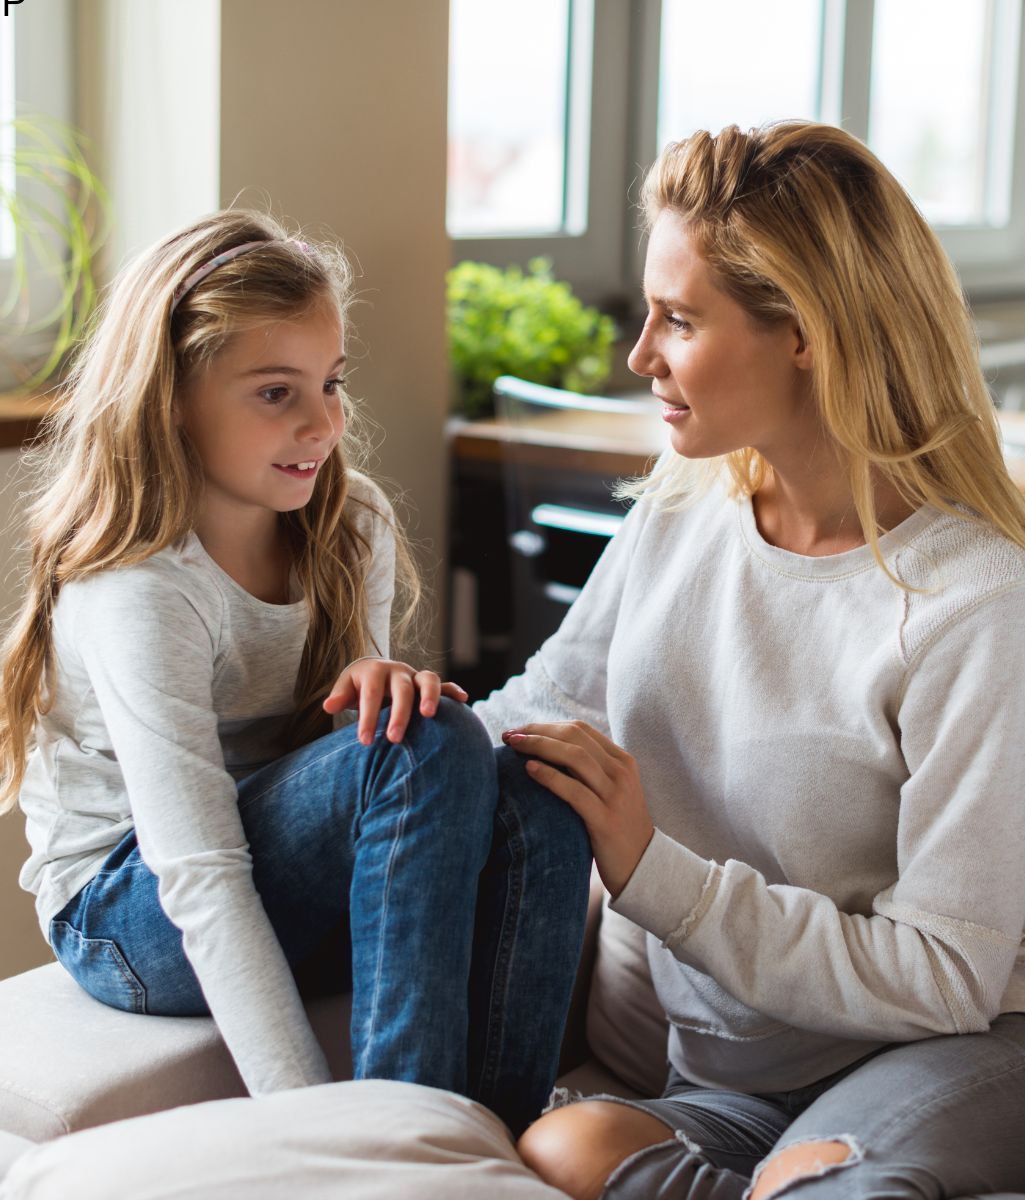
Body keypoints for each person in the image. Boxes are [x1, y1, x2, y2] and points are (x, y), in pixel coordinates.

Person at [472, 122, 1025, 1198]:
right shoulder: (679, 509)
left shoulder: (975, 598)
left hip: (953, 1055)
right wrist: (405, 727)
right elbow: (541, 710)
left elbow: (948, 978)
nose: (640, 356)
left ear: (803, 330)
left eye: (678, 319)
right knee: (560, 1149)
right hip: (732, 1081)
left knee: (810, 1184)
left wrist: (654, 871)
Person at [0, 210, 590, 1137]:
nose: (323, 423)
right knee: (424, 743)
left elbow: (352, 784)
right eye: (276, 393)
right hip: (128, 914)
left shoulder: (347, 523)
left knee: (534, 788)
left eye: (330, 383)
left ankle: (489, 1147)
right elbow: (198, 870)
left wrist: (371, 679)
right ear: (171, 399)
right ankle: (384, 1157)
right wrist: (306, 1130)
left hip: (279, 871)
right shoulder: (142, 590)